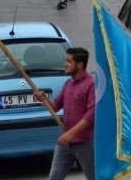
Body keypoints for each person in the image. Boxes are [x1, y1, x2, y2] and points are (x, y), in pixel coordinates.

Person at [36, 48, 95, 180]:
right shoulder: (69, 83)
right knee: (54, 177)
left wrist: (71, 133)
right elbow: (56, 106)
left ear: (80, 64)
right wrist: (44, 99)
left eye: (69, 61)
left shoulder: (91, 84)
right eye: (65, 60)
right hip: (65, 143)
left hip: (85, 143)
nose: (65, 64)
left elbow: (91, 114)